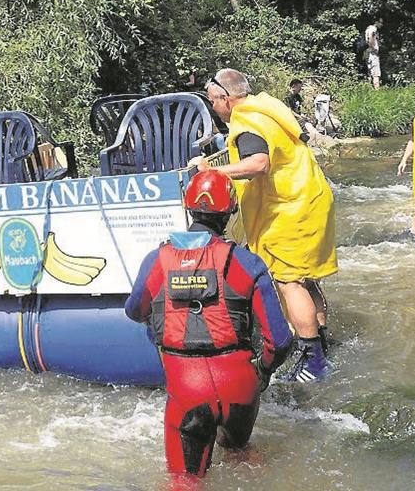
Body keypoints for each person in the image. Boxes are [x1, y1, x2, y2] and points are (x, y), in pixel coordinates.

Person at [125, 169, 293, 480]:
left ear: (188, 208)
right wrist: (263, 372)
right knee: (241, 454)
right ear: (230, 213)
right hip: (241, 386)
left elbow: (135, 311)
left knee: (185, 482)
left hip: (187, 388)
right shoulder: (247, 261)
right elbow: (280, 340)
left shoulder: (157, 260)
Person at [195, 68, 337, 382]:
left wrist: (213, 173)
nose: (213, 108)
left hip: (289, 206)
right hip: (310, 198)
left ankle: (313, 362)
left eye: (213, 102)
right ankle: (324, 343)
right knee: (307, 278)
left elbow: (258, 163)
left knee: (289, 282)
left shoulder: (247, 122)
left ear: (226, 98)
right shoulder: (268, 107)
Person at [364, 17, 382, 89]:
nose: (381, 25)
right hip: (373, 54)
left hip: (368, 54)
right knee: (376, 74)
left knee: (370, 73)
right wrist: (373, 47)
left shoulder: (368, 28)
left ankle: (370, 90)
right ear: (376, 22)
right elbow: (371, 36)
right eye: (380, 23)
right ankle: (377, 91)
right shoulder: (373, 29)